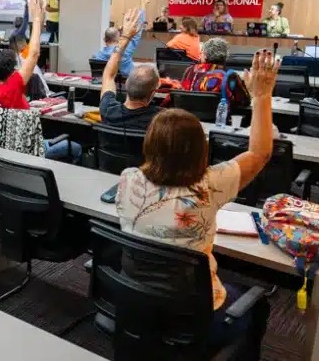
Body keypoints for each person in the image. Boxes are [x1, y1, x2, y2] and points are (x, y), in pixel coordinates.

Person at [115, 50, 278, 358]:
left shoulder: (128, 179)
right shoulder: (209, 186)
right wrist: (262, 95)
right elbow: (260, 154)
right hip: (195, 315)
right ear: (200, 150)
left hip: (138, 302)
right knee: (255, 304)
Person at [0, 0, 82, 163]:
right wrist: (37, 18)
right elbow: (33, 53)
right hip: (27, 153)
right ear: (12, 70)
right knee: (76, 147)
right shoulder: (13, 85)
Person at [99, 7, 162, 131]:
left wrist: (125, 36)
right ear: (153, 93)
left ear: (126, 84)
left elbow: (108, 75)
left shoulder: (108, 110)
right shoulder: (160, 120)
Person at [180, 38, 251, 108]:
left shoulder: (189, 71)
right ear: (225, 56)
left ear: (205, 55)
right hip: (218, 118)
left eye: (201, 52)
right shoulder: (230, 76)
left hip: (188, 115)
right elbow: (244, 102)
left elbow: (181, 94)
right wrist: (247, 85)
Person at [94, 0, 150, 77]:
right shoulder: (126, 51)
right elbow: (137, 32)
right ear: (118, 39)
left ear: (105, 40)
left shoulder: (98, 56)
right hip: (126, 85)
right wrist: (143, 6)